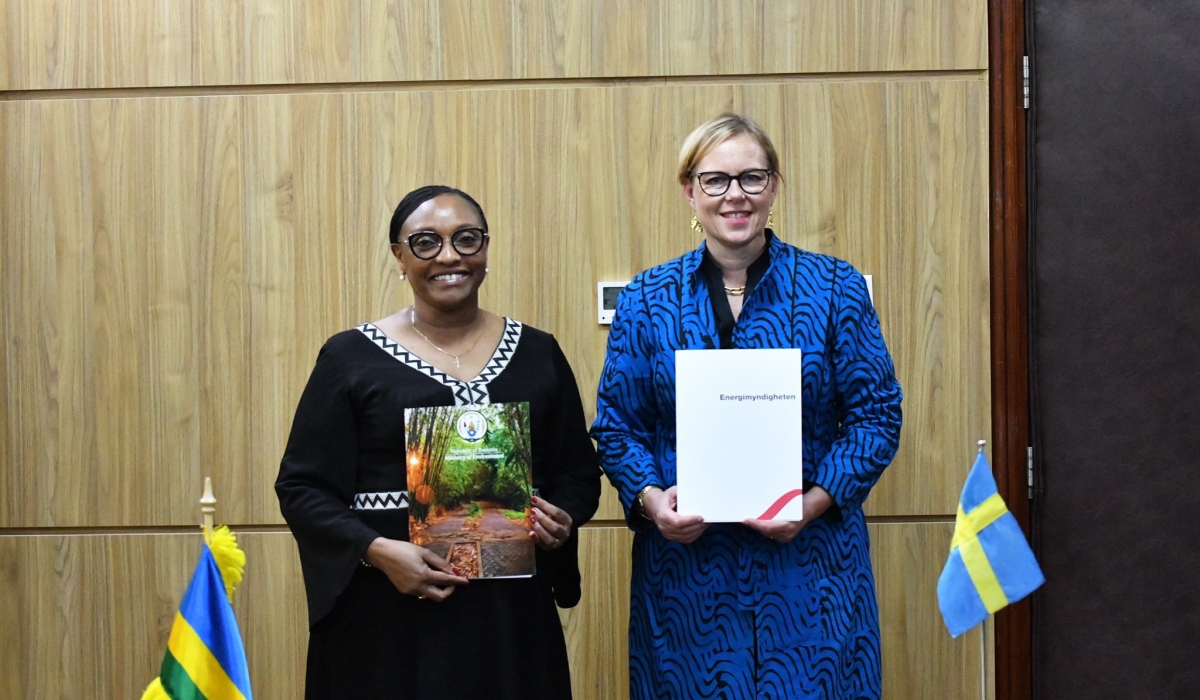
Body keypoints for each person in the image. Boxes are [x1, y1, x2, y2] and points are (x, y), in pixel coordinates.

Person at [591, 114, 903, 699]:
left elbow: (876, 413)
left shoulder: (834, 289)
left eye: (752, 177)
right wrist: (654, 502)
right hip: (687, 572)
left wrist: (811, 505)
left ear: (774, 185)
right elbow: (617, 426)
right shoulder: (646, 299)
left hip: (810, 567)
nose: (735, 194)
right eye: (715, 180)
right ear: (690, 190)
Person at [276, 185, 602, 700]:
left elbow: (578, 474)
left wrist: (564, 519)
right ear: (399, 257)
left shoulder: (538, 353)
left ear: (486, 249)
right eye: (426, 242)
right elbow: (302, 488)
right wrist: (378, 552)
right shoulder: (349, 358)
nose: (449, 256)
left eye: (466, 239)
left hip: (508, 622)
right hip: (385, 617)